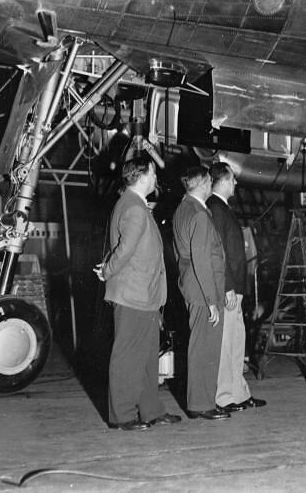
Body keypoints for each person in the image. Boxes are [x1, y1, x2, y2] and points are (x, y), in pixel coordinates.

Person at [94, 156, 180, 431]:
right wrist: (107, 270)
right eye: (153, 174)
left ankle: (151, 410)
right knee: (128, 355)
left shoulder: (134, 205)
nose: (156, 179)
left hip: (144, 295)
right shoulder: (134, 208)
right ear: (142, 177)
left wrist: (109, 266)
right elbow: (126, 249)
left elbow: (123, 245)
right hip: (133, 295)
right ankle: (122, 415)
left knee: (145, 356)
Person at [207, 162, 266, 413]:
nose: (236, 183)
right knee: (226, 344)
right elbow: (217, 252)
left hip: (237, 290)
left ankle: (239, 393)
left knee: (236, 344)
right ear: (221, 181)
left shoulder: (223, 208)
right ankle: (223, 397)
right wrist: (228, 286)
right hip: (228, 290)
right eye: (232, 179)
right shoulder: (215, 208)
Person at [172, 165, 228, 420]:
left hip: (192, 286)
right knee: (206, 348)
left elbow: (180, 255)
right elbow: (203, 259)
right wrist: (211, 300)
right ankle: (202, 404)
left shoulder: (182, 209)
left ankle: (201, 400)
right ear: (204, 184)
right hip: (205, 290)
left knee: (198, 346)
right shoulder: (200, 214)